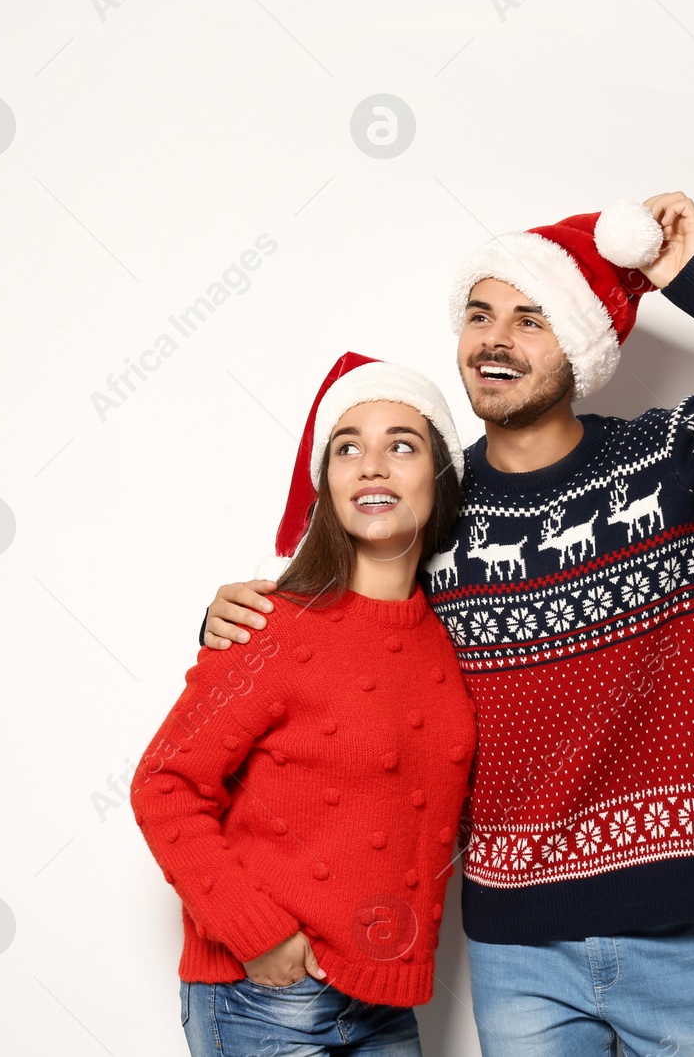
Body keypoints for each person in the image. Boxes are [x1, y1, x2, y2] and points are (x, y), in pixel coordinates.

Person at [202, 193, 694, 1056]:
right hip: (513, 952)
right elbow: (338, 645)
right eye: (480, 315)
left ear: (577, 344)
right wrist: (239, 616)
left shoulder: (682, 463)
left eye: (531, 318)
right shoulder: (433, 513)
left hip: (684, 931)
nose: (496, 338)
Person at [131, 355, 477, 1057]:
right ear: (327, 483)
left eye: (401, 445)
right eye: (347, 447)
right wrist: (256, 934)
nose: (371, 465)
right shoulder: (272, 624)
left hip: (385, 1004)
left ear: (439, 479)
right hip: (263, 997)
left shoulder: (452, 640)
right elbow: (164, 785)